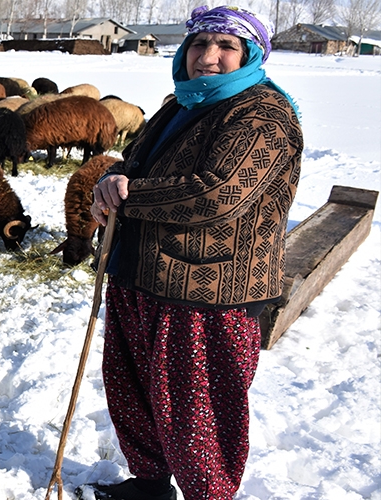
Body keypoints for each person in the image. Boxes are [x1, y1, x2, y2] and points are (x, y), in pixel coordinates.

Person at [87, 6, 302, 500]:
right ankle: (149, 485)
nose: (208, 57)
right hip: (141, 273)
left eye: (225, 47)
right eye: (198, 45)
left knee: (197, 411)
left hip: (206, 290)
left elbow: (218, 193)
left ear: (249, 54)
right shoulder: (182, 103)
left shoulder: (262, 113)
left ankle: (211, 496)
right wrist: (110, 178)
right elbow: (138, 162)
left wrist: (128, 194)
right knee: (135, 393)